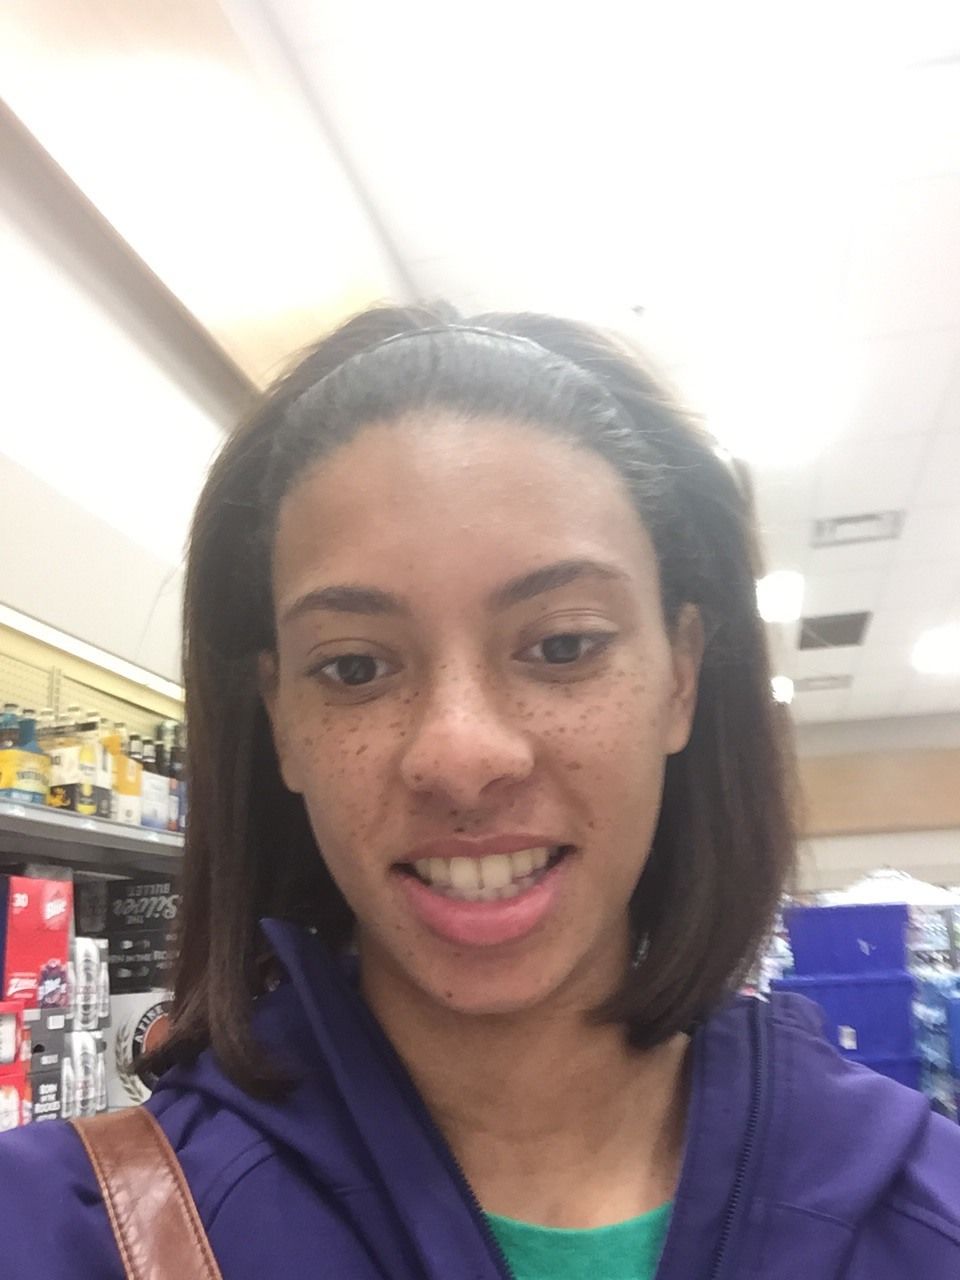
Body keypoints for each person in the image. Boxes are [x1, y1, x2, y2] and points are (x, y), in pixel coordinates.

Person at [1, 305, 958, 1279]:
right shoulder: (66, 1233)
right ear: (281, 719)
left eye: (563, 645)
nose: (461, 755)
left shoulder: (926, 1216)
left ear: (681, 675)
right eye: (356, 665)